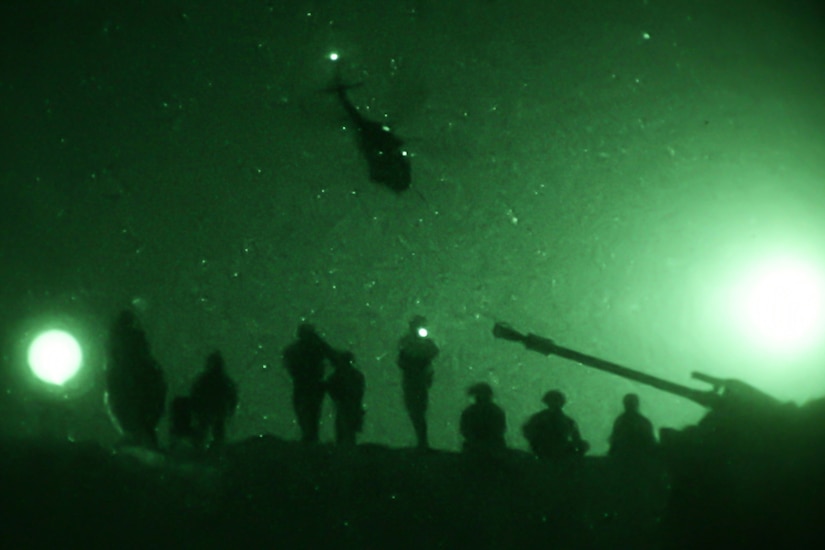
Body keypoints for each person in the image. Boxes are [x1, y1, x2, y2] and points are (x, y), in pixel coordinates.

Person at [105, 309, 167, 449]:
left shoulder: (117, 340)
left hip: (129, 380)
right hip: (138, 380)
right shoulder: (136, 339)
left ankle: (134, 439)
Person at [282, 323, 335, 443]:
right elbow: (334, 357)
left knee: (306, 412)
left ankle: (309, 437)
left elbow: (288, 363)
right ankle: (310, 438)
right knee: (311, 412)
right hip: (311, 384)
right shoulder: (317, 347)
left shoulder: (295, 349)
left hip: (304, 384)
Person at [397, 315, 439, 449]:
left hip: (419, 381)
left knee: (419, 410)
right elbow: (401, 359)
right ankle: (422, 441)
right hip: (411, 380)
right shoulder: (406, 342)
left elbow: (433, 352)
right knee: (414, 410)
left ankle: (422, 441)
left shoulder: (426, 343)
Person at [190, 351, 239, 450]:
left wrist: (194, 409)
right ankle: (213, 451)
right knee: (213, 432)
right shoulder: (222, 380)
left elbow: (194, 394)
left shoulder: (204, 379)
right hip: (214, 411)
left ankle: (203, 451)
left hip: (209, 411)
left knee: (209, 432)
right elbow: (232, 396)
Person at [522, 390, 589, 460]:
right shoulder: (540, 417)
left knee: (585, 445)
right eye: (552, 400)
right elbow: (528, 431)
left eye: (556, 400)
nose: (555, 403)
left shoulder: (569, 421)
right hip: (544, 448)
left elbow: (576, 438)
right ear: (547, 402)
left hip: (561, 448)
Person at [325, 351, 366, 447]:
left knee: (344, 430)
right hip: (351, 406)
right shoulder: (357, 375)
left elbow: (331, 387)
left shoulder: (338, 376)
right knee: (348, 432)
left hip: (345, 406)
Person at [460, 382, 507, 454]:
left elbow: (464, 430)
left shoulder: (469, 411)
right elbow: (501, 430)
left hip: (475, 449)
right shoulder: (496, 410)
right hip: (493, 450)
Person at [608, 393, 656, 458]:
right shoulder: (643, 422)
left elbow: (614, 442)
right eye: (629, 403)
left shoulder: (620, 421)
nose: (630, 405)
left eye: (631, 403)